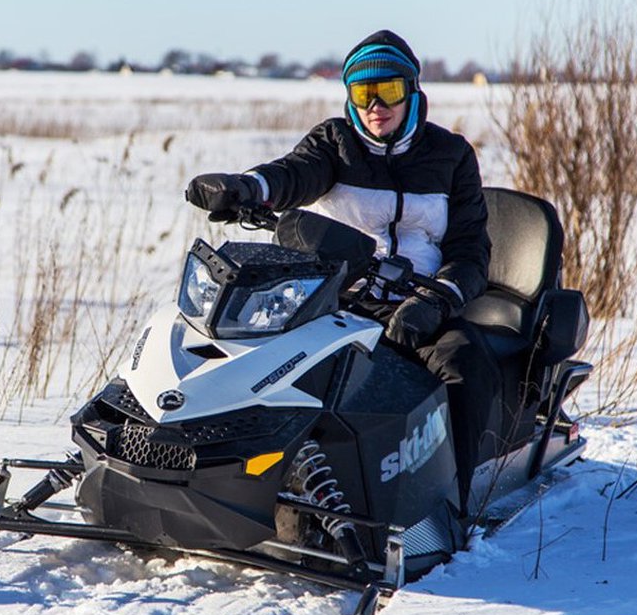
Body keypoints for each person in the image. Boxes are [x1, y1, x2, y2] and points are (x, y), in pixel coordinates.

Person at [184, 29, 500, 513]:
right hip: (338, 292)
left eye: (388, 90)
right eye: (362, 93)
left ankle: (449, 503)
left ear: (413, 92)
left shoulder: (451, 156)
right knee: (253, 351)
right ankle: (215, 472)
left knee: (463, 362)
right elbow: (292, 174)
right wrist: (245, 187)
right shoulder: (336, 141)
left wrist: (436, 300)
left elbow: (472, 251)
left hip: (420, 300)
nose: (376, 105)